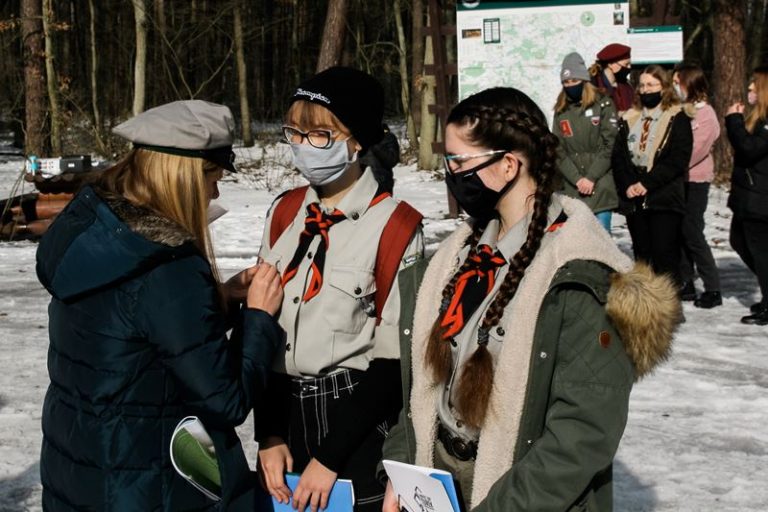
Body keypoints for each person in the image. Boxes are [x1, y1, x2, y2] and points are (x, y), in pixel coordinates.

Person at [381, 87, 679, 511]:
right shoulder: (457, 259)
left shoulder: (577, 278)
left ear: (507, 165)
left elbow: (580, 437)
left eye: (459, 162)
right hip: (440, 485)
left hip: (519, 495)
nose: (450, 174)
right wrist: (401, 469)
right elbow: (424, 389)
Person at [35, 100, 284, 510]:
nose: (216, 191)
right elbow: (227, 400)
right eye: (213, 176)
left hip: (81, 468)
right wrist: (257, 318)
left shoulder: (99, 232)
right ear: (182, 175)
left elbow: (127, 330)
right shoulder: (168, 266)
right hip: (146, 483)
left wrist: (216, 298)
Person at [255, 66, 424, 512]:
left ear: (357, 141)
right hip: (284, 422)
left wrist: (330, 458)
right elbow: (263, 329)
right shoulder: (284, 213)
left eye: (320, 136)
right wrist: (268, 433)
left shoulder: (395, 226)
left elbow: (393, 359)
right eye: (294, 132)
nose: (303, 147)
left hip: (355, 423)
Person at [612, 64, 693, 289]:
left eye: (652, 85)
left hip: (663, 196)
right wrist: (628, 184)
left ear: (664, 87)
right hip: (635, 199)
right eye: (643, 85)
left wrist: (647, 183)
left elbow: (678, 158)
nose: (646, 90)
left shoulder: (678, 118)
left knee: (664, 254)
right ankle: (647, 307)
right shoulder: (630, 119)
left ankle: (669, 307)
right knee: (642, 255)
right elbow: (619, 157)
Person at [673, 63, 723, 308]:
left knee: (692, 232)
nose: (674, 86)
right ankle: (686, 281)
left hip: (696, 181)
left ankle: (712, 286)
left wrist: (672, 162)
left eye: (677, 81)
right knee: (681, 231)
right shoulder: (681, 110)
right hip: (679, 181)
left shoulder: (706, 114)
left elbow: (697, 149)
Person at [553, 51, 619, 231]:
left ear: (584, 80)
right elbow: (558, 150)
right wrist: (577, 179)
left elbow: (609, 144)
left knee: (602, 243)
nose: (570, 85)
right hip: (573, 188)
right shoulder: (561, 110)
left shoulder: (603, 104)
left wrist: (590, 178)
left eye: (574, 81)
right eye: (566, 82)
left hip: (599, 185)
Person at [725, 65, 768, 325]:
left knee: (761, 252)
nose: (749, 88)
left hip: (760, 200)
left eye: (755, 85)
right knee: (738, 240)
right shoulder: (758, 119)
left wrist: (733, 121)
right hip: (749, 197)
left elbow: (749, 149)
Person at [590, 42, 634, 112]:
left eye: (629, 64)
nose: (629, 68)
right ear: (610, 64)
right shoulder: (594, 85)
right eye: (626, 64)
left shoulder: (627, 85)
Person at [360, 123, 400, 194]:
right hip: (362, 184)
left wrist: (374, 144)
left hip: (382, 184)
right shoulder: (356, 137)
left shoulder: (388, 137)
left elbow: (392, 160)